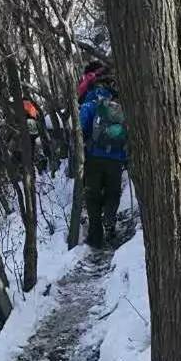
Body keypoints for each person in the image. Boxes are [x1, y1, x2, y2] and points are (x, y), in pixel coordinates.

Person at [79, 66, 128, 248]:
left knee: (92, 196)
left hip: (93, 158)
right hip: (116, 158)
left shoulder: (90, 104)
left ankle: (96, 236)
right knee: (112, 192)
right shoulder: (119, 105)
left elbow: (81, 128)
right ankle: (110, 221)